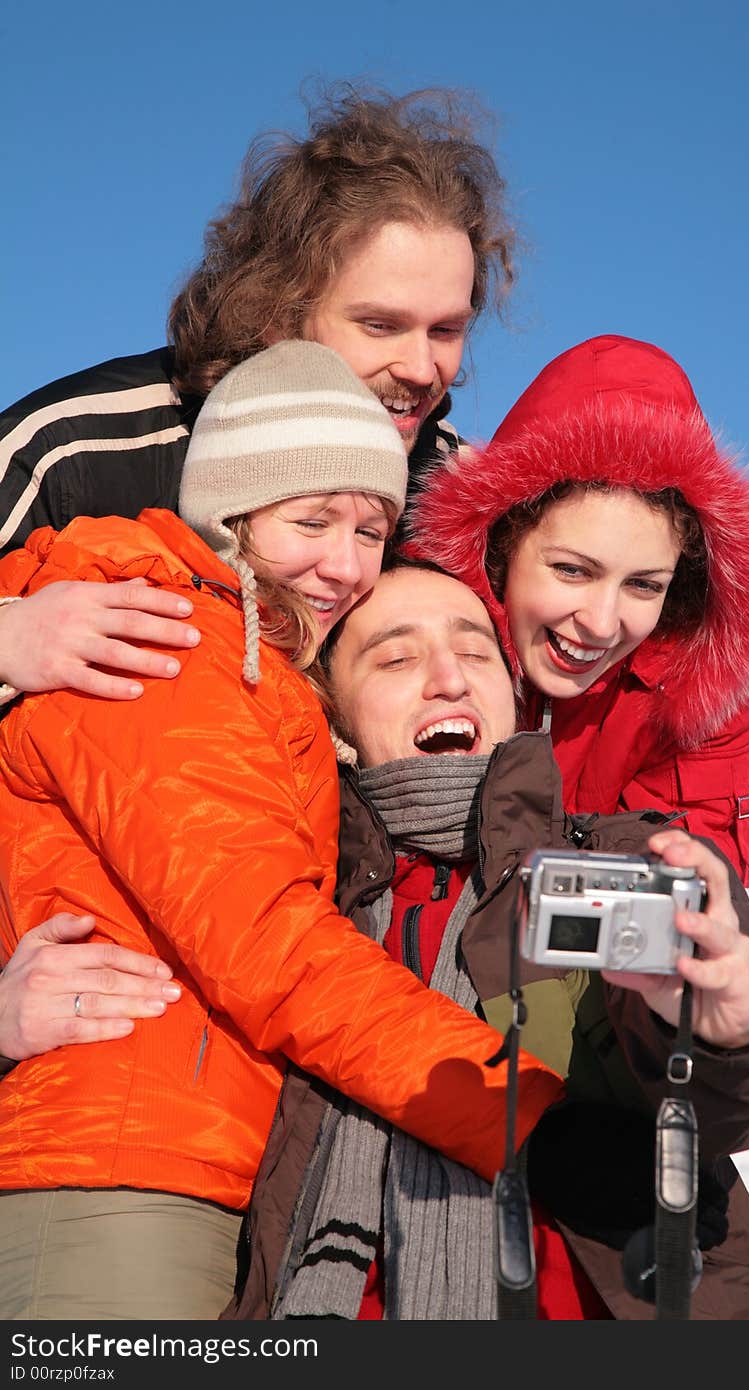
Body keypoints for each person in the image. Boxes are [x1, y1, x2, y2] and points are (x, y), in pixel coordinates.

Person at [0, 341, 563, 1322]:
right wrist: (520, 1110)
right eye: (311, 520)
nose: (344, 566)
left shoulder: (255, 667)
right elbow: (269, 943)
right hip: (120, 1176)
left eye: (371, 529)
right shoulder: (163, 637)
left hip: (189, 1170)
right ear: (232, 512)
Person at [224, 559, 749, 1321]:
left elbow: (738, 1100)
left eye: (475, 653)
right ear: (333, 718)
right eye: (397, 657)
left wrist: (727, 1026)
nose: (448, 679)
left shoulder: (618, 858)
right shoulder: (287, 906)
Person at [0, 82, 506, 702]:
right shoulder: (76, 450)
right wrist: (8, 637)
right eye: (380, 325)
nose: (424, 368)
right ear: (276, 311)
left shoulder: (451, 490)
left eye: (447, 329)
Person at [409, 333, 749, 885]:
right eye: (572, 571)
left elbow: (701, 890)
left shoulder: (693, 697)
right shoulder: (420, 648)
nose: (603, 623)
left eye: (643, 585)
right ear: (503, 541)